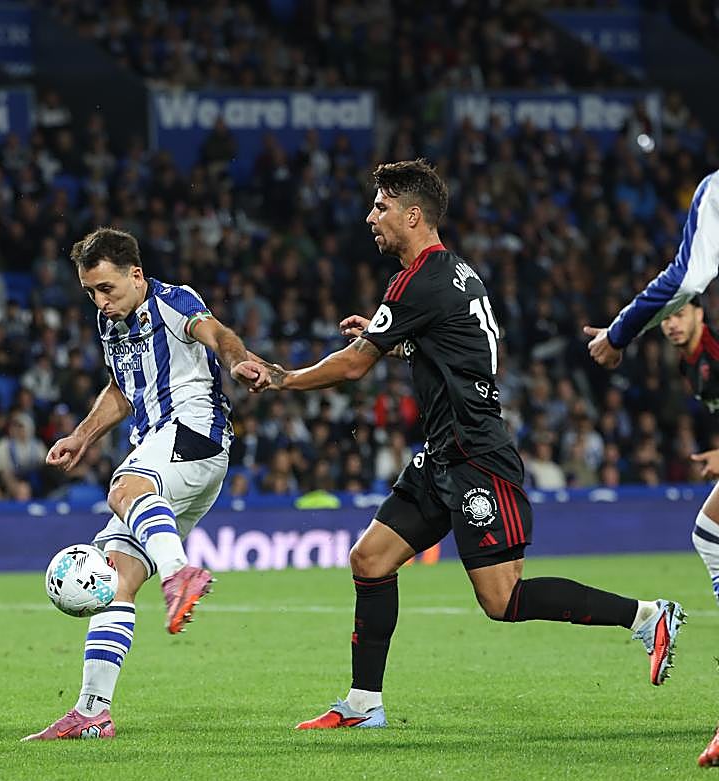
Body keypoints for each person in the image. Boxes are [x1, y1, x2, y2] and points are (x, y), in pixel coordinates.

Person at [252, 160, 682, 730]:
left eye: (380, 208)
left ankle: (646, 616)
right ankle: (362, 704)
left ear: (413, 216)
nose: (370, 217)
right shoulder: (456, 274)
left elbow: (355, 368)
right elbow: (462, 349)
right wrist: (396, 342)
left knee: (502, 600)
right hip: (442, 453)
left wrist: (284, 378)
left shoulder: (419, 279)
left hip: (478, 454)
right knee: (370, 559)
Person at [23, 228, 265, 740]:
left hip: (193, 431)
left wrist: (237, 360)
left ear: (136, 275)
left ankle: (179, 573)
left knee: (123, 488)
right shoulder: (110, 324)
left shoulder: (174, 302)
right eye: (90, 291)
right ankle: (93, 712)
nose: (99, 301)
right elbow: (122, 388)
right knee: (113, 578)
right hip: (168, 454)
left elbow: (218, 334)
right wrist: (82, 435)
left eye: (106, 289)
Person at [582, 168, 719, 767]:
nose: (671, 319)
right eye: (667, 317)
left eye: (678, 313)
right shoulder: (692, 366)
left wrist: (618, 333)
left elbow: (683, 275)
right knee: (708, 532)